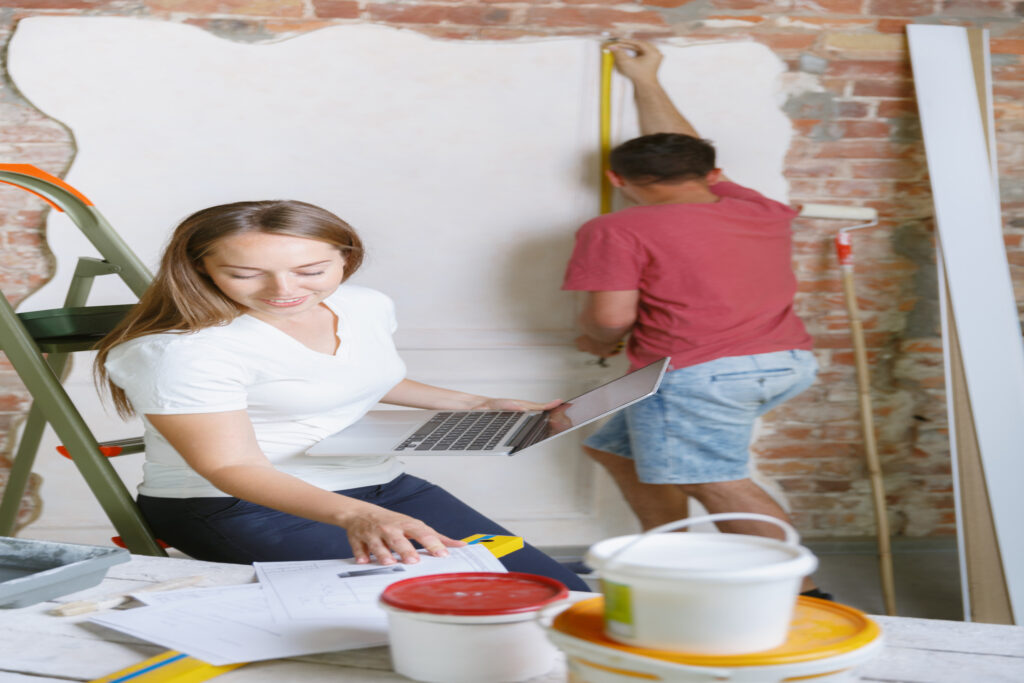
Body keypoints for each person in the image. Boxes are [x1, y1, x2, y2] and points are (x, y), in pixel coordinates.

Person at [94, 199, 588, 590]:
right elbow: (230, 467)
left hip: (376, 484)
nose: (284, 289)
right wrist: (359, 516)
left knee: (558, 594)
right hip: (231, 502)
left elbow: (357, 377)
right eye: (245, 274)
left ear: (345, 258)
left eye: (311, 271)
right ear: (201, 269)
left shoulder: (363, 306)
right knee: (443, 606)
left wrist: (479, 405)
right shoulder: (180, 352)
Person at [562, 40, 826, 595]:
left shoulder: (618, 228)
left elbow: (611, 318)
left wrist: (594, 340)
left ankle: (797, 594)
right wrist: (647, 80)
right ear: (712, 173)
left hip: (700, 373)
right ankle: (664, 560)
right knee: (610, 447)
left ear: (616, 181)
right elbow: (686, 148)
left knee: (714, 479)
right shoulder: (757, 206)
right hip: (784, 361)